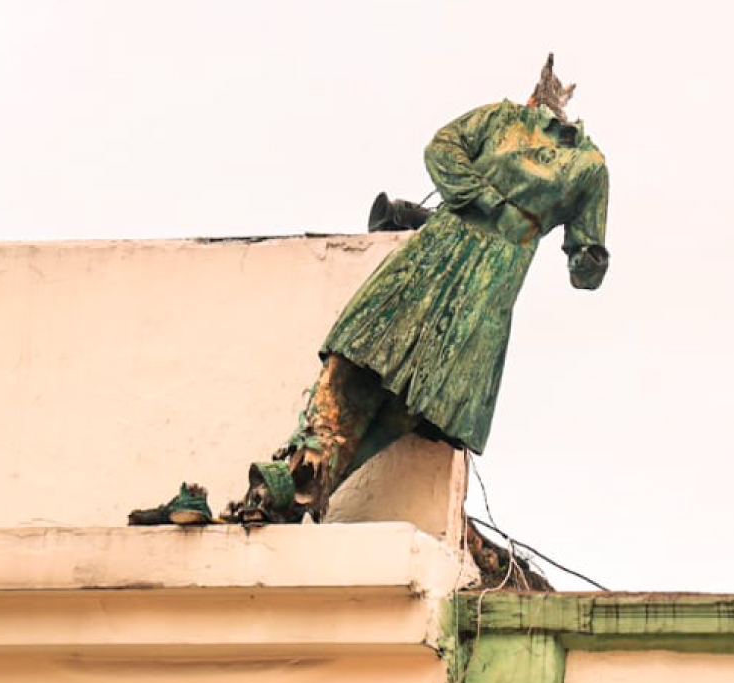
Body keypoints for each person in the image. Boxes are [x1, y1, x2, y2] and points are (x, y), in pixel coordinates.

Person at [130, 56, 610, 527]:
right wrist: (495, 205)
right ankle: (288, 486)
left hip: (484, 287)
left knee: (400, 401)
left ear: (534, 96)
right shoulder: (505, 120)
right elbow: (442, 150)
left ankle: (291, 493)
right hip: (440, 257)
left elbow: (584, 261)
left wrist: (584, 257)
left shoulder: (585, 165)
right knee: (356, 361)